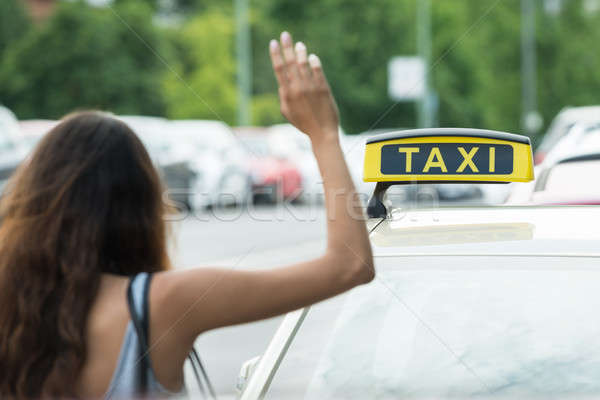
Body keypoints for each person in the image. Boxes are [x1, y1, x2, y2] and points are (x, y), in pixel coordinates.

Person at [0, 31, 374, 399]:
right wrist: (323, 132)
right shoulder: (162, 305)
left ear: (33, 199)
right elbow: (348, 266)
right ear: (143, 206)